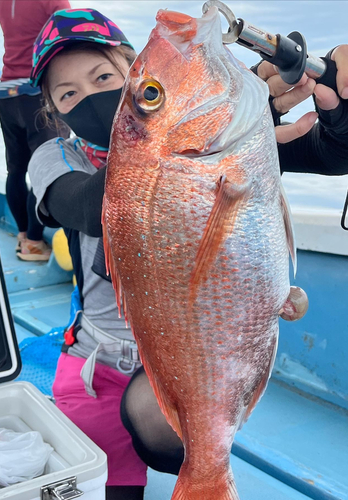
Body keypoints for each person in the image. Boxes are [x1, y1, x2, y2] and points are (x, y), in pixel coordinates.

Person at [28, 7, 348, 498]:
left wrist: (333, 113)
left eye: (103, 77)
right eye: (68, 94)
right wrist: (189, 145)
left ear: (127, 69)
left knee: (170, 439)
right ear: (52, 110)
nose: (90, 97)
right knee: (105, 487)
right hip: (93, 365)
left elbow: (332, 153)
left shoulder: (227, 148)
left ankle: (205, 467)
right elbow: (88, 205)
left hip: (180, 369)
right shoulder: (54, 159)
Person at [0, 0, 70, 261]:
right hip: (39, 94)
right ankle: (35, 244)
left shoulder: (2, 3)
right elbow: (67, 37)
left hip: (7, 94)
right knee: (46, 169)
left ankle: (24, 236)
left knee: (16, 170)